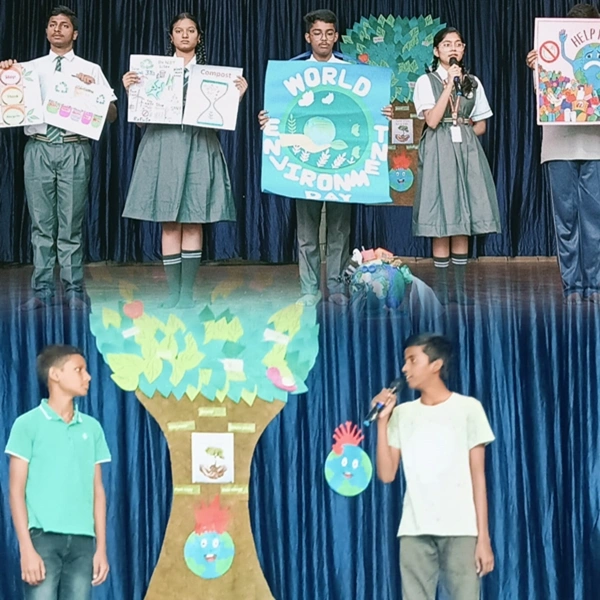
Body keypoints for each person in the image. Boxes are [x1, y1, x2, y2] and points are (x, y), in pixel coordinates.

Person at [258, 9, 392, 307]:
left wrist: (383, 112)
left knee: (339, 231)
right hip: (304, 166)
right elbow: (279, 114)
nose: (323, 39)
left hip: (341, 167)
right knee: (307, 233)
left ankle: (336, 286)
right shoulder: (291, 72)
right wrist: (268, 120)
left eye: (329, 33)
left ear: (336, 36)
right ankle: (309, 289)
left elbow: (370, 110)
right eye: (317, 33)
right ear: (308, 37)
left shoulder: (354, 71)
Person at [122, 12, 248, 309]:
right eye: (179, 30)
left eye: (191, 30)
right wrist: (132, 91)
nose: (185, 35)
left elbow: (219, 120)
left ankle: (187, 295)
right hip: (162, 145)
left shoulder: (212, 76)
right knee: (169, 221)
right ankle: (173, 294)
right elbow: (140, 121)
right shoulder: (153, 72)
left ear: (199, 37)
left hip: (199, 145)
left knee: (193, 219)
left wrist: (237, 97)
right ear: (171, 37)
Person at [0, 6, 117, 311]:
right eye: (52, 24)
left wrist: (95, 93)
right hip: (38, 147)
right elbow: (8, 100)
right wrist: (5, 74)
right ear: (46, 31)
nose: (57, 29)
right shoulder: (28, 69)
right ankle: (41, 291)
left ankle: (74, 290)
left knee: (70, 225)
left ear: (74, 34)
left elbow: (112, 115)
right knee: (41, 224)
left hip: (73, 148)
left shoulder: (90, 69)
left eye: (64, 25)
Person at [374, 333, 495, 600]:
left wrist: (483, 538)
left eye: (412, 360)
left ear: (436, 365)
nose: (404, 368)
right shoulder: (403, 414)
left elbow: (478, 478)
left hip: (460, 529)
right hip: (414, 530)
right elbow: (386, 474)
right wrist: (382, 422)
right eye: (405, 361)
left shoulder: (468, 408)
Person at [5, 345, 111, 600]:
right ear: (55, 374)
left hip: (83, 542)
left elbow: (98, 491)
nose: (88, 376)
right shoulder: (27, 424)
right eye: (79, 370)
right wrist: (26, 549)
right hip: (42, 540)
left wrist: (101, 548)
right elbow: (16, 491)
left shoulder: (92, 428)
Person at [412, 28, 501, 304]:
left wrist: (463, 135)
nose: (453, 48)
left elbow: (481, 124)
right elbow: (432, 120)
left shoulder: (473, 82)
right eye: (447, 44)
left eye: (458, 44)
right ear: (436, 50)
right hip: (438, 148)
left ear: (463, 50)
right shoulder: (426, 81)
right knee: (442, 213)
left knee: (463, 213)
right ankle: (441, 288)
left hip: (466, 149)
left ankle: (460, 289)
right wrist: (450, 84)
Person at [526, 3, 600, 304]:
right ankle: (572, 285)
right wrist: (539, 67)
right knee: (566, 218)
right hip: (558, 146)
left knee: (594, 218)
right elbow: (545, 98)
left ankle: (594, 284)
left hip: (595, 146)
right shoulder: (550, 53)